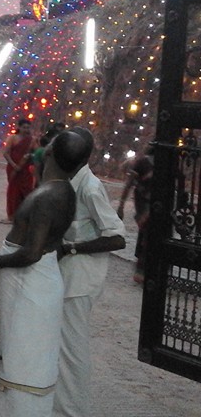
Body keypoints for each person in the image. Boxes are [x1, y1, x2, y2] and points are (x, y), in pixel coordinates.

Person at [0, 130, 86, 417]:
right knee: (22, 358)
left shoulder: (48, 195)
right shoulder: (63, 190)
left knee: (24, 365)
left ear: (48, 152)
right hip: (35, 284)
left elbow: (32, 253)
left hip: (32, 286)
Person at [52, 127, 127, 417]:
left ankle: (72, 410)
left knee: (72, 350)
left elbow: (117, 237)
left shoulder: (91, 187)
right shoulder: (70, 181)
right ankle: (58, 405)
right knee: (60, 347)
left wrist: (71, 248)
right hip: (68, 277)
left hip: (80, 280)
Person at [118, 143, 154, 283]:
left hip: (144, 204)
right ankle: (143, 268)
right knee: (148, 234)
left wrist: (121, 205)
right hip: (148, 204)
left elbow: (129, 184)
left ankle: (143, 266)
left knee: (146, 234)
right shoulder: (144, 163)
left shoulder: (142, 162)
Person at [3, 118, 35, 219]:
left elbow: (35, 153)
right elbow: (6, 153)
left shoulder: (32, 140)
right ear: (19, 127)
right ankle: (12, 214)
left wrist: (30, 157)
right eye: (24, 127)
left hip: (26, 170)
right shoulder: (12, 138)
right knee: (13, 191)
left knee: (26, 190)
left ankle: (24, 215)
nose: (26, 130)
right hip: (13, 169)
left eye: (28, 128)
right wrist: (14, 165)